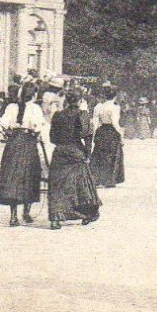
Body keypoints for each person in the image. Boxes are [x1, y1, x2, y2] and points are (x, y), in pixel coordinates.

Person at [0, 81, 45, 225]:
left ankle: (13, 216)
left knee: (12, 177)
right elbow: (39, 128)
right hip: (28, 143)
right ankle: (26, 212)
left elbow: (0, 125)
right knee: (30, 176)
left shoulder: (11, 107)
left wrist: (5, 134)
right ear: (34, 95)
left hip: (14, 144)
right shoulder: (35, 109)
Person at [46, 88, 101, 228]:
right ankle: (86, 213)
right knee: (82, 181)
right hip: (75, 152)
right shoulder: (82, 115)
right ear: (79, 101)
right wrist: (87, 154)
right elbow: (87, 136)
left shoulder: (57, 115)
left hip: (59, 153)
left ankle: (55, 218)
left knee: (57, 185)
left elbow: (52, 138)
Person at [90, 86, 126, 188]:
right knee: (111, 156)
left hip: (101, 131)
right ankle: (109, 180)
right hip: (111, 132)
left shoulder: (98, 107)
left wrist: (93, 135)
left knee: (99, 155)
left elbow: (95, 123)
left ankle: (96, 179)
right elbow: (115, 123)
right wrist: (121, 135)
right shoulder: (115, 107)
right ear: (115, 96)